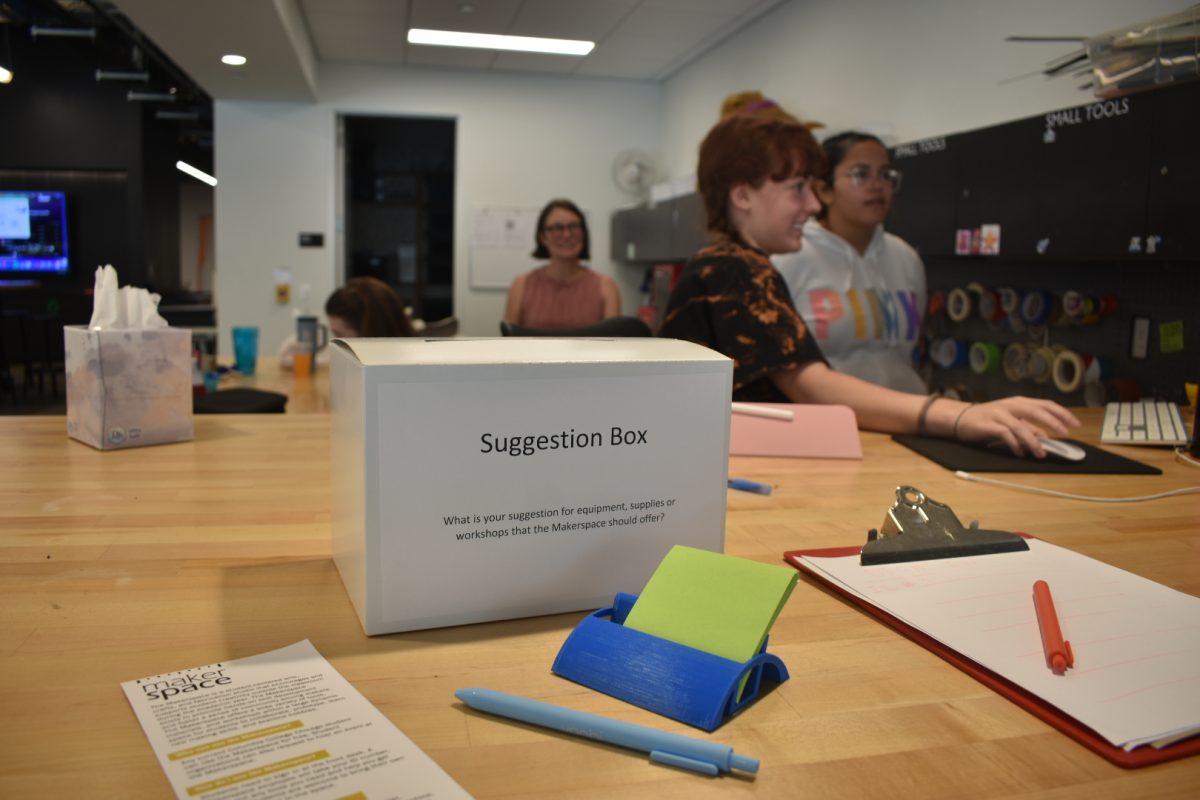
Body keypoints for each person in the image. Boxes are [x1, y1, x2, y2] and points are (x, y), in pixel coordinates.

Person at [658, 114, 1078, 456]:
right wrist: (958, 416)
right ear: (743, 196)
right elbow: (810, 384)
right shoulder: (732, 269)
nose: (814, 204)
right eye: (797, 189)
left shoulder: (735, 264)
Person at [773, 131, 926, 393]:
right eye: (860, 174)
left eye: (885, 174)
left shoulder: (906, 257)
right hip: (828, 422)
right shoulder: (789, 258)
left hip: (905, 420)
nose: (877, 185)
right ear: (824, 190)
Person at [503, 198, 621, 330]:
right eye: (557, 228)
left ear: (583, 233)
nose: (566, 234)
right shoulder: (521, 285)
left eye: (573, 226)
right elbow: (509, 344)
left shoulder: (606, 287)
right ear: (543, 237)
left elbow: (613, 346)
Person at [278, 276, 414, 368]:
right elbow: (285, 357)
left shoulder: (392, 370)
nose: (337, 342)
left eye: (340, 334)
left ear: (369, 333)